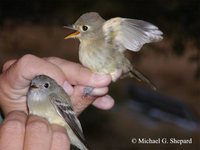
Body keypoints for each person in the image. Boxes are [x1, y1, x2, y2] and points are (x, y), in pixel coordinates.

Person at [0, 54, 114, 150]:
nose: (35, 87)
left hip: (70, 131)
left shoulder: (54, 96)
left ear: (52, 87)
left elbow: (71, 121)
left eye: (45, 86)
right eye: (33, 85)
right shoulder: (29, 99)